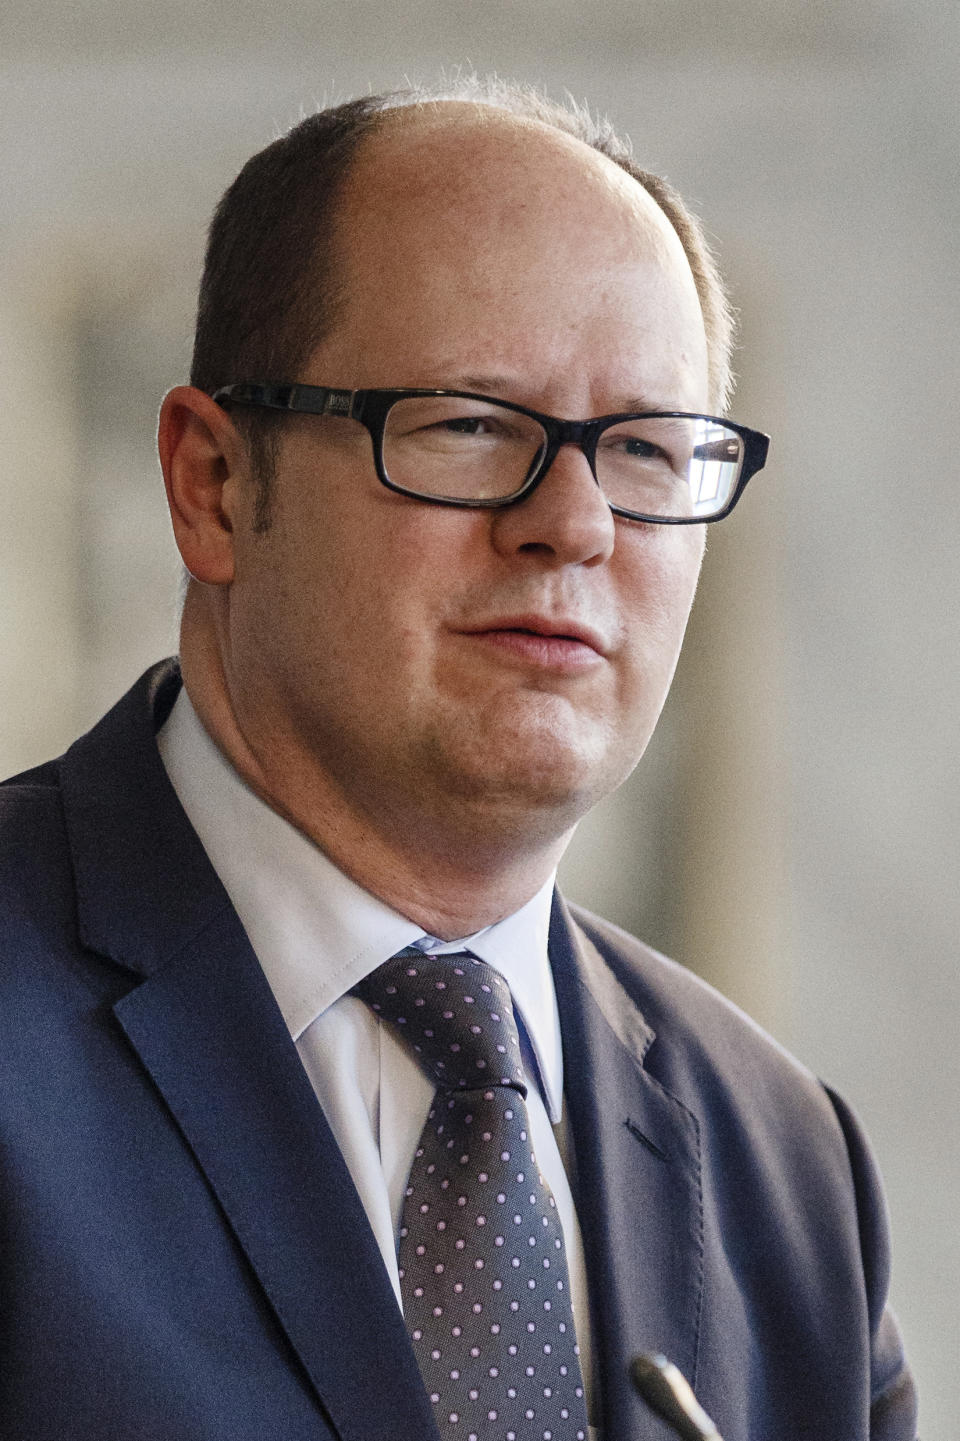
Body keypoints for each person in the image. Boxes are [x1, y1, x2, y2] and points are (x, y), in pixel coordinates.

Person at [0, 81, 916, 1441]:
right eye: (470, 424)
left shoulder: (787, 1167)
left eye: (652, 449)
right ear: (213, 485)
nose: (574, 523)